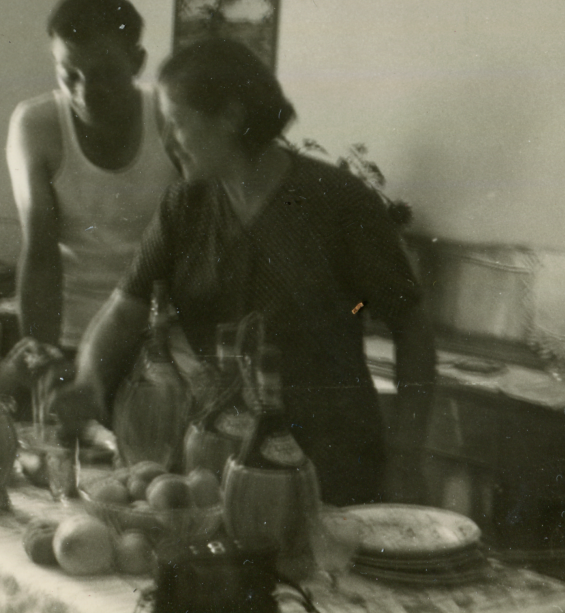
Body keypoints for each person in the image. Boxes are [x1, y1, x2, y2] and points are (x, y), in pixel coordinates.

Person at [54, 38, 437, 506]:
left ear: (231, 116)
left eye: (175, 123)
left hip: (329, 460)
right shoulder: (186, 205)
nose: (167, 142)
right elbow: (123, 307)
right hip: (219, 452)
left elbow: (412, 325)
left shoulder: (338, 202)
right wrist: (90, 382)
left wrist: (407, 454)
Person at [3, 0, 179, 392]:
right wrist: (41, 358)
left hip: (158, 339)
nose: (84, 92)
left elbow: (192, 250)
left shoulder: (169, 117)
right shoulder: (37, 125)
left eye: (104, 75)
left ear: (136, 63)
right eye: (70, 75)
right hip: (70, 336)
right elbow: (41, 253)